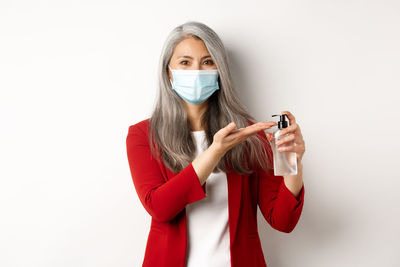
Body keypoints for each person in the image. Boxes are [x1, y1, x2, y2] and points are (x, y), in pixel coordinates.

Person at [126, 21, 306, 267]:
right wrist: (216, 151)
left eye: (208, 62)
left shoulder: (249, 135)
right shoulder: (143, 135)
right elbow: (160, 208)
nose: (197, 71)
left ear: (220, 70)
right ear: (169, 71)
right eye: (185, 62)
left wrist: (292, 164)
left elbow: (282, 221)